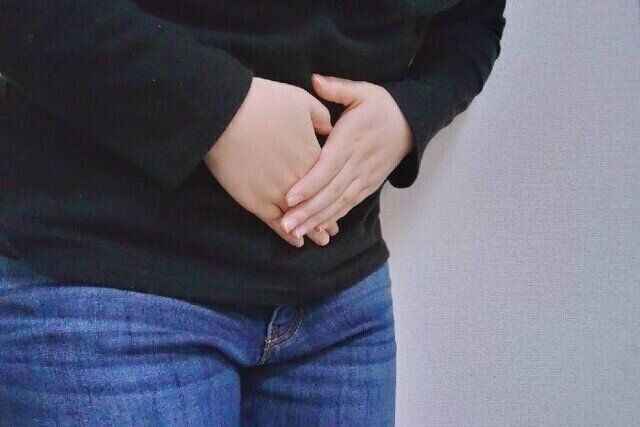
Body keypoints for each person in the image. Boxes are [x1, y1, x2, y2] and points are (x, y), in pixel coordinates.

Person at [0, 0, 506, 424]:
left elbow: (474, 17)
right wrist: (214, 108)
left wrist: (411, 112)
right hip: (105, 285)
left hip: (344, 305)